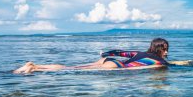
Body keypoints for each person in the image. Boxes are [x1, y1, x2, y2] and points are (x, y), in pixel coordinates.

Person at [13, 38, 170, 74]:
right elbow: (170, 66)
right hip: (118, 66)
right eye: (165, 49)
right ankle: (34, 68)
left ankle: (34, 66)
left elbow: (120, 52)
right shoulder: (160, 62)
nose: (166, 52)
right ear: (159, 50)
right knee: (71, 69)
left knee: (72, 67)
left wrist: (105, 54)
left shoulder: (139, 53)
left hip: (109, 60)